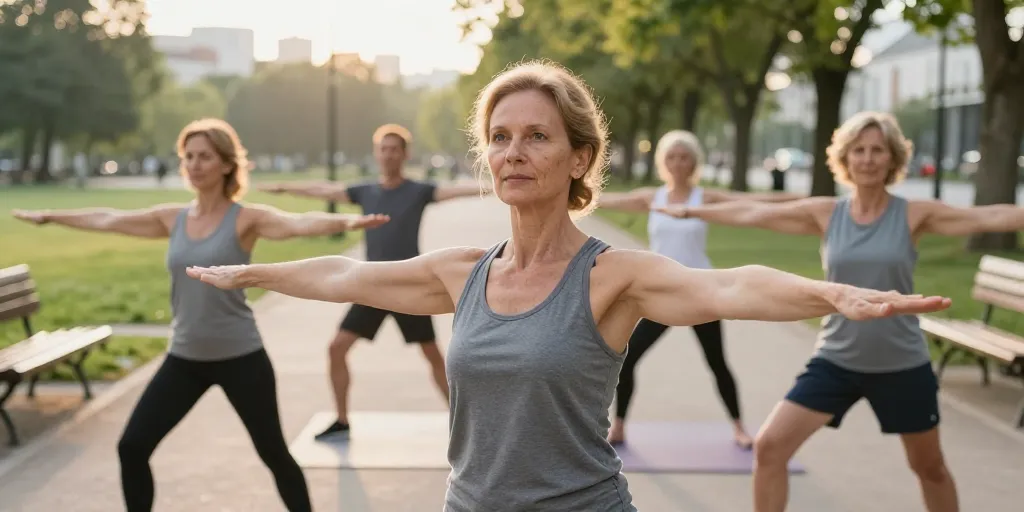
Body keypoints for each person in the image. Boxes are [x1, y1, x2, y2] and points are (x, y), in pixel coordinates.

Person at [186, 63, 950, 512]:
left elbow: (728, 287)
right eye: (501, 137)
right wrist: (255, 273)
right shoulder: (464, 271)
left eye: (537, 136)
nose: (513, 152)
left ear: (580, 158)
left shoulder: (612, 276)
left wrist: (834, 295)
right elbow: (346, 273)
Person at [12, 118, 389, 512]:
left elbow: (296, 223)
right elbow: (108, 219)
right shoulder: (172, 217)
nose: (194, 164)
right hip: (186, 359)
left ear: (227, 164)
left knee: (274, 454)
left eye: (204, 156)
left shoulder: (245, 218)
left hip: (241, 358)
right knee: (133, 447)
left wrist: (346, 221)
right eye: (188, 156)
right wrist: (52, 216)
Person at [655, 110, 1024, 512]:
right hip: (837, 358)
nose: (868, 159)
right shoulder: (827, 213)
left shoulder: (915, 214)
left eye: (877, 150)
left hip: (901, 362)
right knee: (770, 447)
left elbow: (990, 216)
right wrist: (691, 210)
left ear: (893, 158)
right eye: (859, 150)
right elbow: (755, 211)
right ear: (845, 158)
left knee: (929, 466)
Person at [259, 123, 486, 442]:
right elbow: (325, 190)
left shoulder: (418, 191)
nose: (389, 154)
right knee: (337, 348)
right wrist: (284, 187)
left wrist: (500, 184)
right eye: (384, 149)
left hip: (409, 286)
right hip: (370, 287)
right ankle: (342, 420)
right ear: (376, 153)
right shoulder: (365, 191)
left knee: (434, 356)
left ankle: (463, 423)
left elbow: (458, 191)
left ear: (405, 154)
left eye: (395, 149)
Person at [597, 129, 801, 449]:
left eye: (685, 157)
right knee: (629, 357)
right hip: (660, 293)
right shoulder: (653, 197)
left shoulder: (703, 197)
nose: (679, 163)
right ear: (664, 162)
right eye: (672, 157)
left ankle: (738, 427)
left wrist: (802, 199)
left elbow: (751, 203)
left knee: (716, 361)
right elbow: (602, 199)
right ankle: (620, 426)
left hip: (700, 292)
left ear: (694, 163)